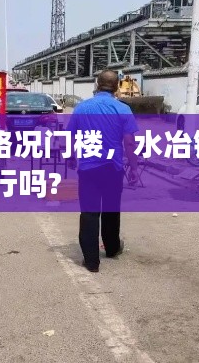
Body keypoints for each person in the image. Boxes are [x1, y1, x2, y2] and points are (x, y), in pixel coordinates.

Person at [67, 70, 139, 273]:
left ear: (97, 84)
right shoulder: (123, 108)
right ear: (116, 87)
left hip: (88, 169)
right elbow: (129, 142)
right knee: (111, 209)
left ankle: (91, 261)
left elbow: (70, 136)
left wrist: (71, 157)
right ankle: (112, 248)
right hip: (113, 168)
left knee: (89, 213)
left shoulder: (81, 108)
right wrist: (133, 168)